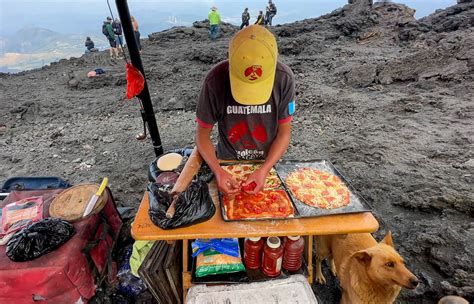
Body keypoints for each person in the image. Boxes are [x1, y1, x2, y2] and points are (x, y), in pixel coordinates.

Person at [195, 25, 295, 195]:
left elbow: (284, 133)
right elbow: (202, 135)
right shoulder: (215, 81)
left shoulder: (284, 79)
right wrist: (218, 171)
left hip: (267, 160)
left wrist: (264, 169)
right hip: (226, 161)